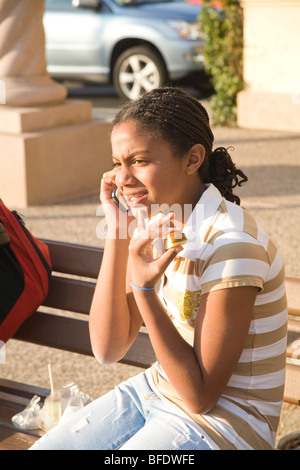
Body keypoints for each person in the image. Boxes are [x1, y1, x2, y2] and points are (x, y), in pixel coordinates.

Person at [30, 87, 287, 450]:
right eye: (118, 163)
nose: (122, 179)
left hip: (225, 423)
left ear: (192, 159)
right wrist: (118, 230)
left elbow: (200, 397)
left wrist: (145, 290)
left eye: (139, 161)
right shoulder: (158, 221)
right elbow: (108, 348)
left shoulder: (232, 245)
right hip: (155, 392)